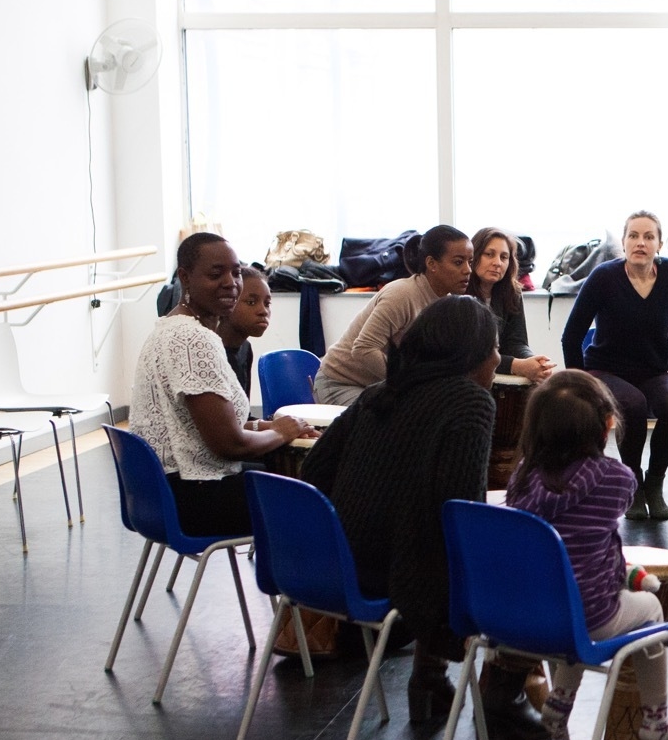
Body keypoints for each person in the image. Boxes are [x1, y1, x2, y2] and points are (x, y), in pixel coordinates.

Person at [300, 296, 536, 728]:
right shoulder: (471, 402)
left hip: (337, 569)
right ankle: (498, 694)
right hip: (400, 582)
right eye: (493, 348)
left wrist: (375, 497)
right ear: (471, 354)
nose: (497, 358)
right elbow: (460, 512)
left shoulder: (377, 394)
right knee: (527, 560)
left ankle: (432, 681)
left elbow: (314, 471)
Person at [505, 371, 668, 740]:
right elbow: (623, 500)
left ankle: (560, 699)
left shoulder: (521, 478)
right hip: (588, 616)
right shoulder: (614, 479)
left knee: (571, 600)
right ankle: (655, 717)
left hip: (524, 613)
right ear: (607, 427)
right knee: (650, 608)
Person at [130, 235, 313, 537]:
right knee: (319, 495)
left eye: (236, 272)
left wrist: (266, 426)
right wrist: (282, 432)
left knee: (293, 478)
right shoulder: (194, 339)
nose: (231, 283)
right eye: (216, 274)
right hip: (195, 498)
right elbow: (230, 445)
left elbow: (203, 426)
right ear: (185, 277)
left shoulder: (171, 327)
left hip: (163, 494)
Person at [560, 211, 668, 521]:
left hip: (653, 371)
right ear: (623, 242)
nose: (640, 243)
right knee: (632, 405)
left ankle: (654, 482)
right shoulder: (604, 277)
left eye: (648, 237)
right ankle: (632, 483)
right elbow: (571, 336)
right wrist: (581, 387)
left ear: (659, 244)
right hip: (605, 370)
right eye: (633, 236)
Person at [313, 225, 473, 406]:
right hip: (339, 382)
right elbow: (364, 348)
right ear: (431, 264)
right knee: (392, 419)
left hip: (380, 386)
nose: (468, 270)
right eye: (458, 262)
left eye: (470, 262)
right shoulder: (402, 294)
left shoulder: (447, 304)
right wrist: (408, 383)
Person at [466, 226, 555, 383]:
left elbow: (516, 343)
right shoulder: (460, 294)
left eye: (504, 257)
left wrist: (533, 362)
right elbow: (471, 355)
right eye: (489, 254)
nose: (497, 263)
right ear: (474, 255)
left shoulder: (512, 292)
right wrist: (517, 365)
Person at [217, 264, 271, 399]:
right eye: (251, 302)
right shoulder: (210, 351)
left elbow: (243, 409)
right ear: (228, 303)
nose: (263, 311)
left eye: (267, 303)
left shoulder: (245, 349)